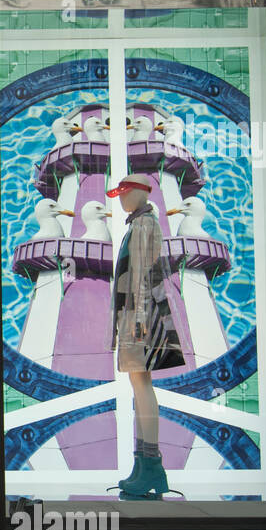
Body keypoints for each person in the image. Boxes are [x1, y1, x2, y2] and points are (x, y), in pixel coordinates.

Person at [105, 172, 184, 500]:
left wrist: (137, 318)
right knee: (139, 386)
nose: (121, 198)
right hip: (137, 315)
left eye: (125, 192)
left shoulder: (144, 225)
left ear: (140, 192)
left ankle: (151, 463)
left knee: (143, 385)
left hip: (143, 316)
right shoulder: (138, 223)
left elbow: (141, 272)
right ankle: (145, 464)